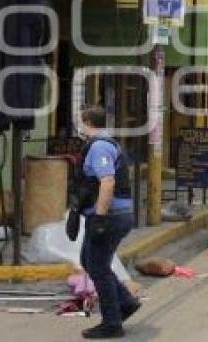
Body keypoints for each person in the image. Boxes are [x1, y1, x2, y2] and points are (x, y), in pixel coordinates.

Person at [77, 105, 139, 339]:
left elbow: (107, 181)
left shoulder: (100, 146)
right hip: (112, 215)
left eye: (80, 121)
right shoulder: (103, 143)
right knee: (89, 260)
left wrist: (100, 218)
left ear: (87, 122)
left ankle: (112, 322)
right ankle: (125, 302)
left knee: (98, 267)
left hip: (110, 216)